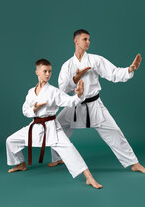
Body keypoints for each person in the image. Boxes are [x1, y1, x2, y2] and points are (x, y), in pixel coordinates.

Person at [49, 29, 145, 175]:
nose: (88, 42)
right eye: (85, 39)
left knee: (115, 132)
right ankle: (58, 157)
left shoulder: (95, 60)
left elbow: (114, 73)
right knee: (56, 127)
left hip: (94, 105)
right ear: (76, 41)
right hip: (75, 105)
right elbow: (62, 89)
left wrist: (130, 69)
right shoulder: (67, 65)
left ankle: (134, 163)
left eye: (89, 39)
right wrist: (76, 78)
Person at [6, 59, 103, 189]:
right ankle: (20, 163)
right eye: (44, 71)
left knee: (70, 149)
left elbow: (69, 102)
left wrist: (78, 96)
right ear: (37, 72)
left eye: (50, 71)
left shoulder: (53, 91)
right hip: (34, 127)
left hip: (51, 128)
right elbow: (25, 110)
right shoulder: (31, 92)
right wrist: (33, 110)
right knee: (11, 141)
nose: (47, 74)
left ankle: (89, 177)